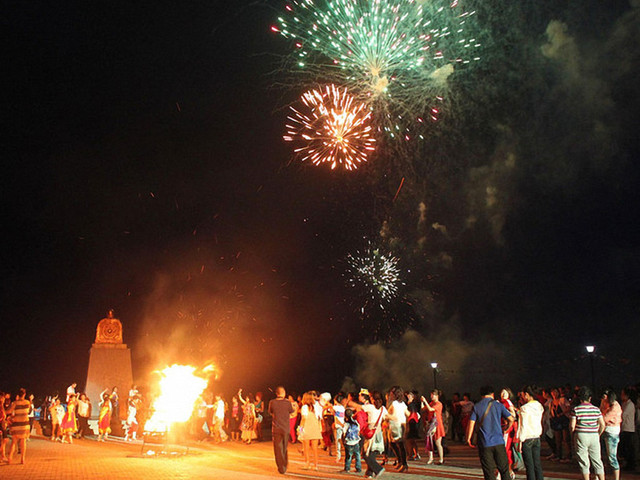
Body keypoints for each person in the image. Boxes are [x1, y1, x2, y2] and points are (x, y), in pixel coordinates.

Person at [465, 385, 515, 480]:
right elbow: (511, 419)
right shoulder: (498, 405)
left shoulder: (477, 406)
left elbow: (471, 424)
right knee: (504, 470)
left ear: (481, 395)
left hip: (484, 443)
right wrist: (507, 429)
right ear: (492, 394)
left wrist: (468, 438)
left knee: (488, 472)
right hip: (499, 442)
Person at [570, 386, 605, 480]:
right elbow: (602, 424)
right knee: (597, 460)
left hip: (581, 435)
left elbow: (572, 426)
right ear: (590, 398)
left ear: (580, 398)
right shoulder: (596, 409)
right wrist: (598, 433)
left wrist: (572, 434)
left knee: (584, 461)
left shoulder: (576, 409)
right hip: (594, 435)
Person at [517, 385, 544, 480]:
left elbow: (523, 425)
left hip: (527, 438)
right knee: (537, 464)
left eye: (523, 395)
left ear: (527, 394)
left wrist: (520, 440)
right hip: (537, 436)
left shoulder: (525, 408)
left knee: (529, 466)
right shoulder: (539, 406)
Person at [269, 386, 294, 475]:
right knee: (284, 447)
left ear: (276, 393)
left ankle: (281, 467)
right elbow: (292, 411)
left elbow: (271, 412)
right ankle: (285, 464)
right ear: (283, 393)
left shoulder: (272, 402)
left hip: (276, 428)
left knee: (278, 448)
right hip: (286, 428)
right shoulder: (287, 403)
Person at [600, 388, 622, 480]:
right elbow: (600, 411)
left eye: (605, 397)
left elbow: (604, 418)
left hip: (612, 432)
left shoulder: (615, 406)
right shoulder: (606, 403)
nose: (603, 398)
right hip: (606, 430)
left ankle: (616, 478)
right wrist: (602, 402)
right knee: (603, 455)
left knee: (612, 457)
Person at [387, 386, 409, 472]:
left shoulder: (394, 404)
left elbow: (388, 413)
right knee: (394, 444)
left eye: (392, 393)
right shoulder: (402, 404)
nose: (390, 394)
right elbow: (407, 413)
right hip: (399, 425)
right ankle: (401, 462)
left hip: (397, 426)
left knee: (399, 445)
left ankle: (403, 463)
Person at [6, 388, 31, 464]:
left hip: (16, 423)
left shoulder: (15, 403)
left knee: (14, 441)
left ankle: (10, 458)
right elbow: (28, 411)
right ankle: (22, 459)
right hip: (25, 424)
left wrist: (4, 411)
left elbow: (9, 411)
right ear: (24, 394)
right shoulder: (27, 402)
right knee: (23, 441)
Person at [299, 391, 322, 470]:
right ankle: (315, 465)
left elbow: (303, 419)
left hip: (307, 428)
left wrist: (300, 429)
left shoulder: (304, 407)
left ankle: (307, 463)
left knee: (306, 447)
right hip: (315, 427)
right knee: (315, 448)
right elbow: (319, 418)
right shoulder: (316, 407)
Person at [422, 389, 445, 465]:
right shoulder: (431, 403)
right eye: (431, 395)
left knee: (438, 443)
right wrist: (422, 402)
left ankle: (441, 459)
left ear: (437, 396)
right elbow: (423, 408)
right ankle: (430, 458)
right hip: (431, 424)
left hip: (437, 424)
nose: (431, 396)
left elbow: (430, 409)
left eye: (433, 395)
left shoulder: (439, 404)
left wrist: (425, 401)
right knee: (429, 441)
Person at [620, 387, 637, 471]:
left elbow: (623, 415)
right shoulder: (625, 404)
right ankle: (628, 464)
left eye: (622, 394)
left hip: (629, 429)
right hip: (624, 428)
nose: (621, 396)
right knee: (626, 448)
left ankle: (631, 465)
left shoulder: (630, 404)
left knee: (629, 448)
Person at [343, 409, 362, 473]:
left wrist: (343, 441)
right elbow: (358, 432)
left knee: (348, 456)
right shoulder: (356, 422)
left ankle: (347, 468)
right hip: (356, 441)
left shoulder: (346, 424)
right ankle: (358, 468)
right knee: (357, 455)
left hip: (349, 442)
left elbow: (344, 433)